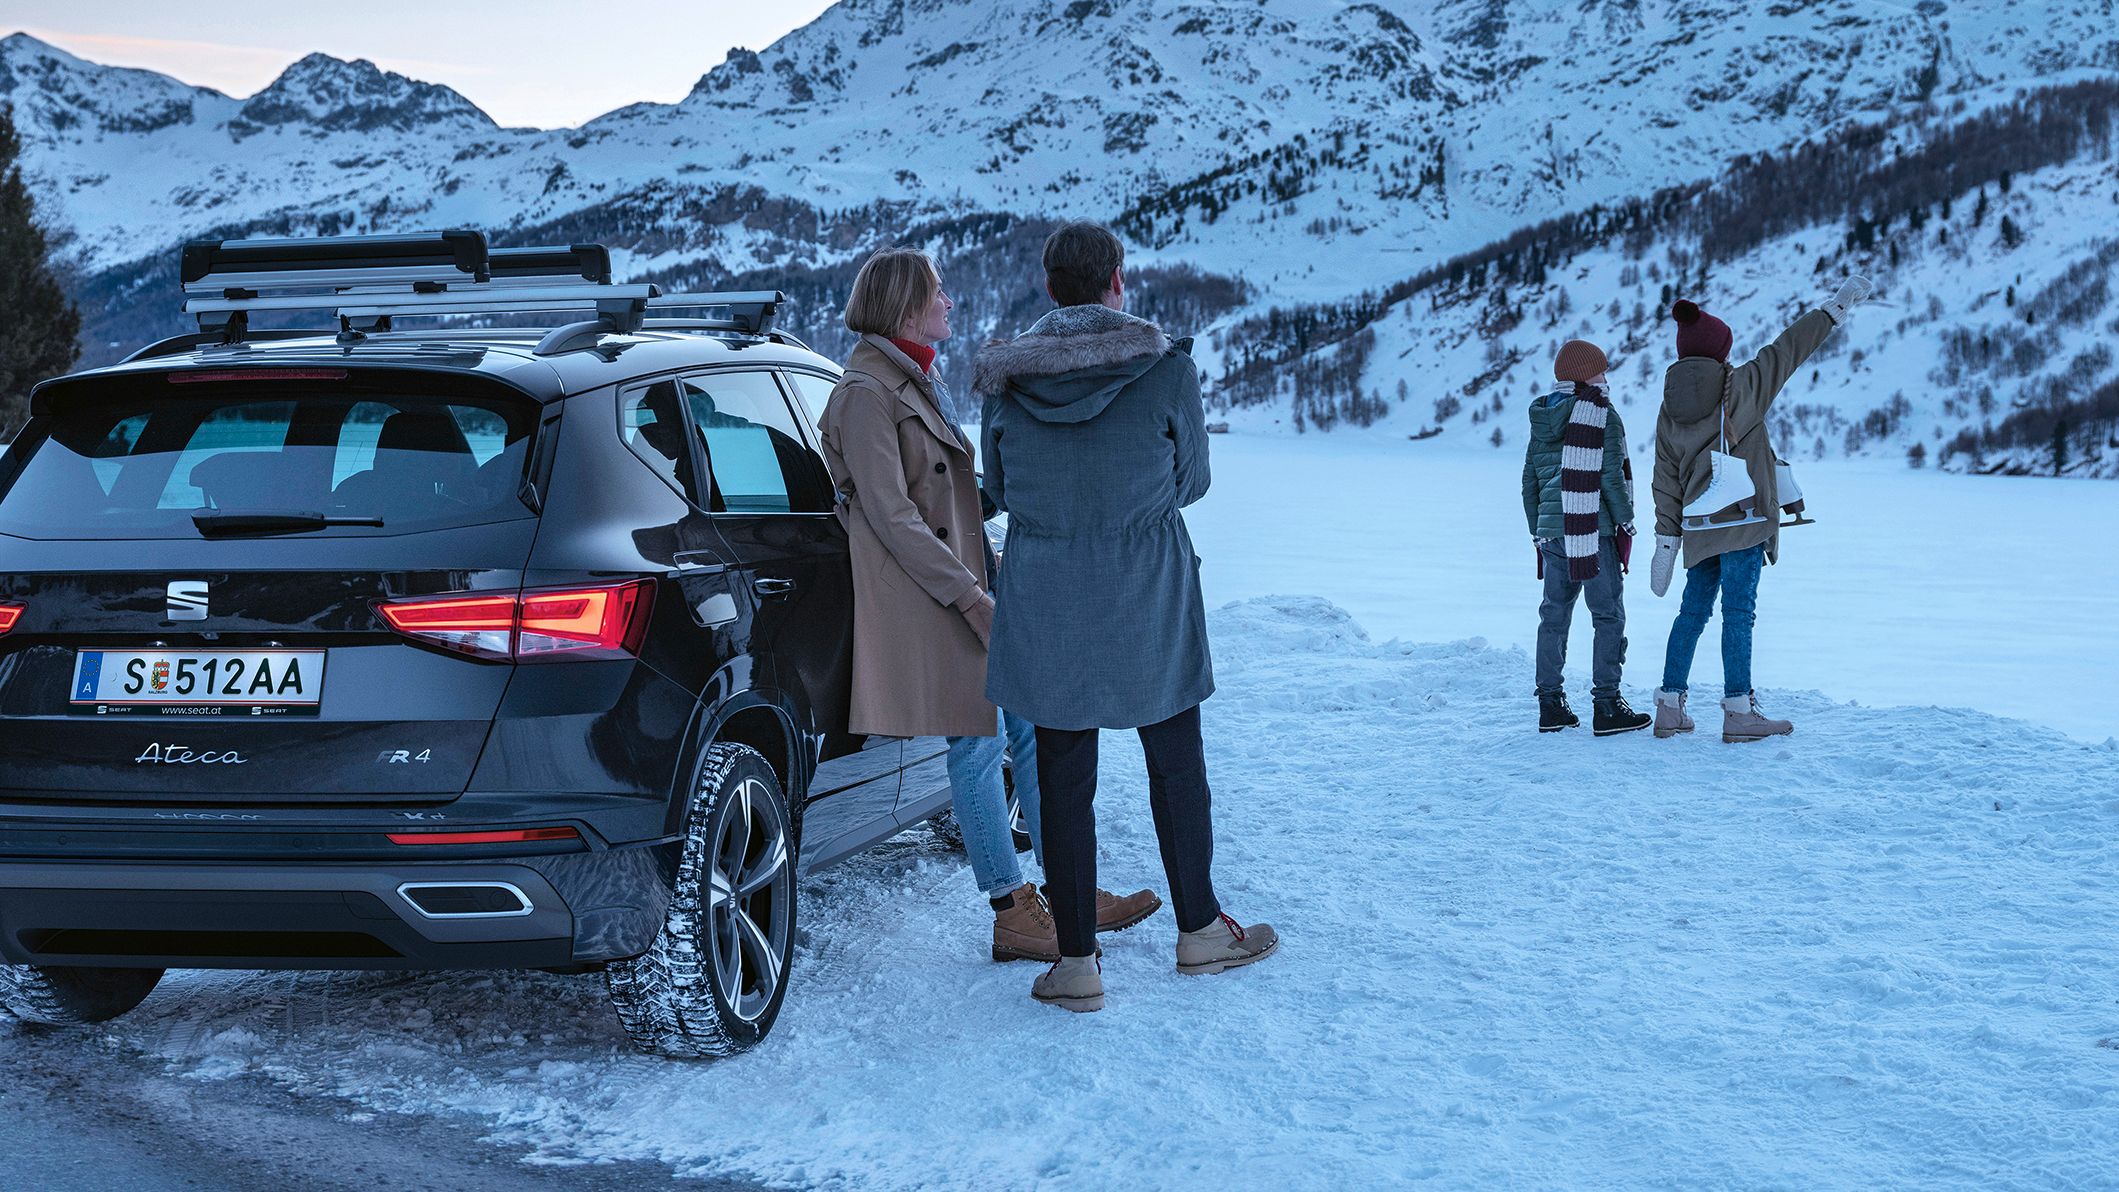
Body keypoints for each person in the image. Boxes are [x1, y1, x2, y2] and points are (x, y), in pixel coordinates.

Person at [817, 247, 1157, 965]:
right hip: (931, 598)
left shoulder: (915, 377)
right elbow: (893, 517)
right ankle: (1009, 909)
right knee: (975, 748)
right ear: (905, 306)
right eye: (938, 292)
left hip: (970, 584)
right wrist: (970, 596)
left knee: (1028, 732)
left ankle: (1069, 884)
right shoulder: (863, 392)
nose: (950, 302)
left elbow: (954, 498)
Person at [975, 221, 1277, 1014]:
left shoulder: (1005, 382)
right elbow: (1193, 481)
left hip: (1044, 593)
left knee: (1062, 780)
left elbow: (996, 488)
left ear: (1050, 289)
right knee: (1175, 764)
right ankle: (1200, 931)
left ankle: (1076, 962)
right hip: (1146, 586)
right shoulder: (1164, 370)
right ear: (1116, 283)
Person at [1648, 277, 1872, 743]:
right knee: (1738, 614)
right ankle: (1738, 712)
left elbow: (1666, 480)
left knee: (1692, 613)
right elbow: (1789, 348)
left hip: (1698, 527)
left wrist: (1666, 539)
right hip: (1745, 522)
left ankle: (1669, 706)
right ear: (1719, 351)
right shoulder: (1743, 386)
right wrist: (1834, 308)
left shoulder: (1668, 410)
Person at [1521, 338, 1651, 736]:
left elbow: (1529, 482)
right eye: (1600, 370)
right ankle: (1607, 704)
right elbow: (1609, 477)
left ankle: (1551, 705)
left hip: (1552, 533)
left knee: (1554, 616)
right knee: (1608, 614)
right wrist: (1626, 520)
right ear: (1584, 375)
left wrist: (1538, 529)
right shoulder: (1600, 413)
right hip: (1591, 529)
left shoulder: (1543, 415)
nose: (1606, 377)